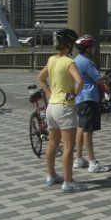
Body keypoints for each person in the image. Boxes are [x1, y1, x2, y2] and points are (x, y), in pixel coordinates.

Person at [37, 28, 86, 192]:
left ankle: (51, 176)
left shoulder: (51, 59)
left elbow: (40, 78)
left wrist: (50, 94)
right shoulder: (68, 61)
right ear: (68, 44)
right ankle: (68, 182)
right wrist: (73, 95)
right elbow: (80, 82)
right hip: (64, 108)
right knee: (68, 147)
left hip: (51, 107)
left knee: (52, 144)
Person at [72, 35, 110, 173]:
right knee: (88, 131)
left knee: (81, 128)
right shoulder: (87, 62)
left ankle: (79, 159)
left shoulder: (76, 60)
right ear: (87, 48)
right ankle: (92, 163)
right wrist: (108, 76)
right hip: (89, 98)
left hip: (80, 99)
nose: (94, 48)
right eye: (92, 46)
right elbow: (99, 79)